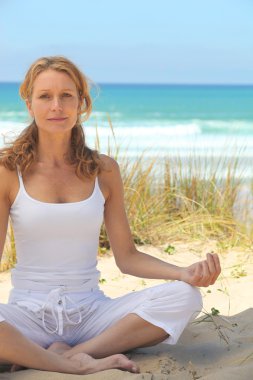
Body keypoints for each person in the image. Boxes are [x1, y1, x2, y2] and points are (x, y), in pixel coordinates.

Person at [0, 56, 221, 375]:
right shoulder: (9, 171)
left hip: (91, 315)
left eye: (67, 96)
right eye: (45, 96)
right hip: (28, 316)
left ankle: (71, 354)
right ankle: (73, 365)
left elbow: (127, 257)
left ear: (81, 103)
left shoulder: (103, 170)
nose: (57, 106)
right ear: (29, 105)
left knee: (184, 296)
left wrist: (184, 272)